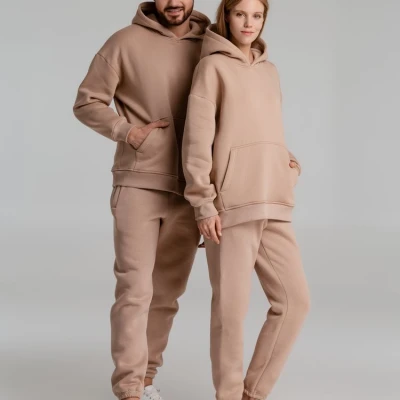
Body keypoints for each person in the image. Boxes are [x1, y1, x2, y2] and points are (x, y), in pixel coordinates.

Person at [72, 2, 210, 400]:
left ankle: (147, 379)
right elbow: (86, 101)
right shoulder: (124, 43)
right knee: (135, 289)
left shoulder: (213, 44)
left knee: (166, 294)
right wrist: (127, 131)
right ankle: (129, 388)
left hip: (190, 190)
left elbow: (233, 109)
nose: (174, 2)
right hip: (138, 184)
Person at [182, 0, 310, 399]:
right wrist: (204, 204)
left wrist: (288, 167)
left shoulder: (270, 72)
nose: (249, 23)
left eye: (257, 15)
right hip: (229, 208)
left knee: (295, 302)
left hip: (273, 200)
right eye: (240, 14)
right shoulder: (212, 68)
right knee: (230, 312)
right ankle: (228, 394)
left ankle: (252, 393)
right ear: (226, 16)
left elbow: (268, 131)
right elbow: (197, 142)